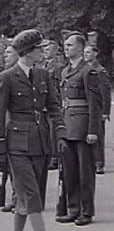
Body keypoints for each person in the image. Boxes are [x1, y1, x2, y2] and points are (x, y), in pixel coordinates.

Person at [0, 29, 65, 231]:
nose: (43, 51)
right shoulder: (6, 77)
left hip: (40, 142)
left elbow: (53, 105)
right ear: (28, 52)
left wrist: (60, 132)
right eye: (39, 48)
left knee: (27, 198)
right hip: (17, 145)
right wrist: (0, 148)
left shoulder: (43, 74)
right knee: (31, 196)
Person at [56, 32, 102, 226]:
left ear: (81, 48)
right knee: (70, 171)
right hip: (68, 126)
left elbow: (95, 104)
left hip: (83, 128)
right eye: (65, 46)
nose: (66, 48)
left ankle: (86, 210)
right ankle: (73, 209)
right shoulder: (65, 71)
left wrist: (93, 130)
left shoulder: (88, 71)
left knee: (85, 172)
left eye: (70, 45)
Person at [0, 42, 18, 213]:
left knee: (17, 165)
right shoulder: (4, 74)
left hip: (17, 124)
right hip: (7, 123)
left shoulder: (17, 75)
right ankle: (14, 197)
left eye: (9, 52)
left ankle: (18, 199)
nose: (5, 56)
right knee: (8, 165)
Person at [83, 45, 112, 174]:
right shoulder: (84, 69)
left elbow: (105, 92)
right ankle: (91, 162)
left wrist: (105, 112)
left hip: (98, 108)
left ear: (95, 54)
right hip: (88, 108)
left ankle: (99, 163)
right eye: (84, 52)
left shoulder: (100, 71)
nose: (86, 54)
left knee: (98, 136)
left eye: (88, 52)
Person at [42, 40, 65, 170]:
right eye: (44, 49)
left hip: (54, 103)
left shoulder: (58, 67)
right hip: (44, 104)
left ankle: (55, 157)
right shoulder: (43, 65)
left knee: (53, 132)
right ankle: (50, 155)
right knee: (46, 132)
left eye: (48, 49)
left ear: (55, 51)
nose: (46, 52)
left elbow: (60, 87)